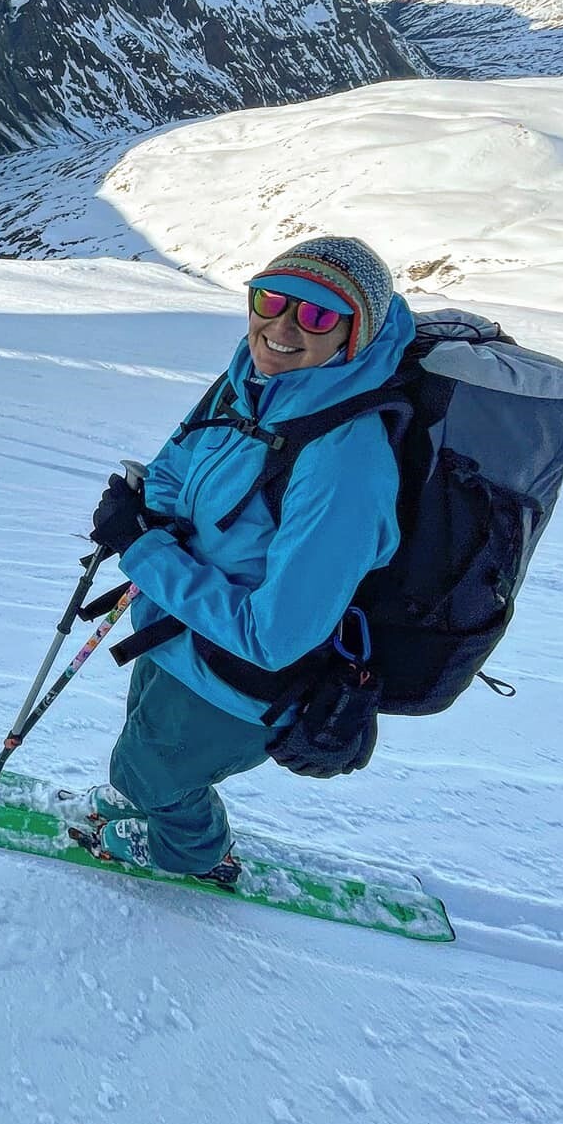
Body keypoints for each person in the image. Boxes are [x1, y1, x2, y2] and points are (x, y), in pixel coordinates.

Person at [76, 236, 413, 887]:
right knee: (144, 740)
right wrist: (151, 516)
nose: (281, 326)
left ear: (355, 334)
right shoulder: (251, 380)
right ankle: (144, 796)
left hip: (236, 678)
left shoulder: (345, 462)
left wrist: (144, 550)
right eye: (271, 299)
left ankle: (192, 853)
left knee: (158, 766)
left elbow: (275, 636)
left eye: (316, 315)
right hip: (174, 627)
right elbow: (179, 462)